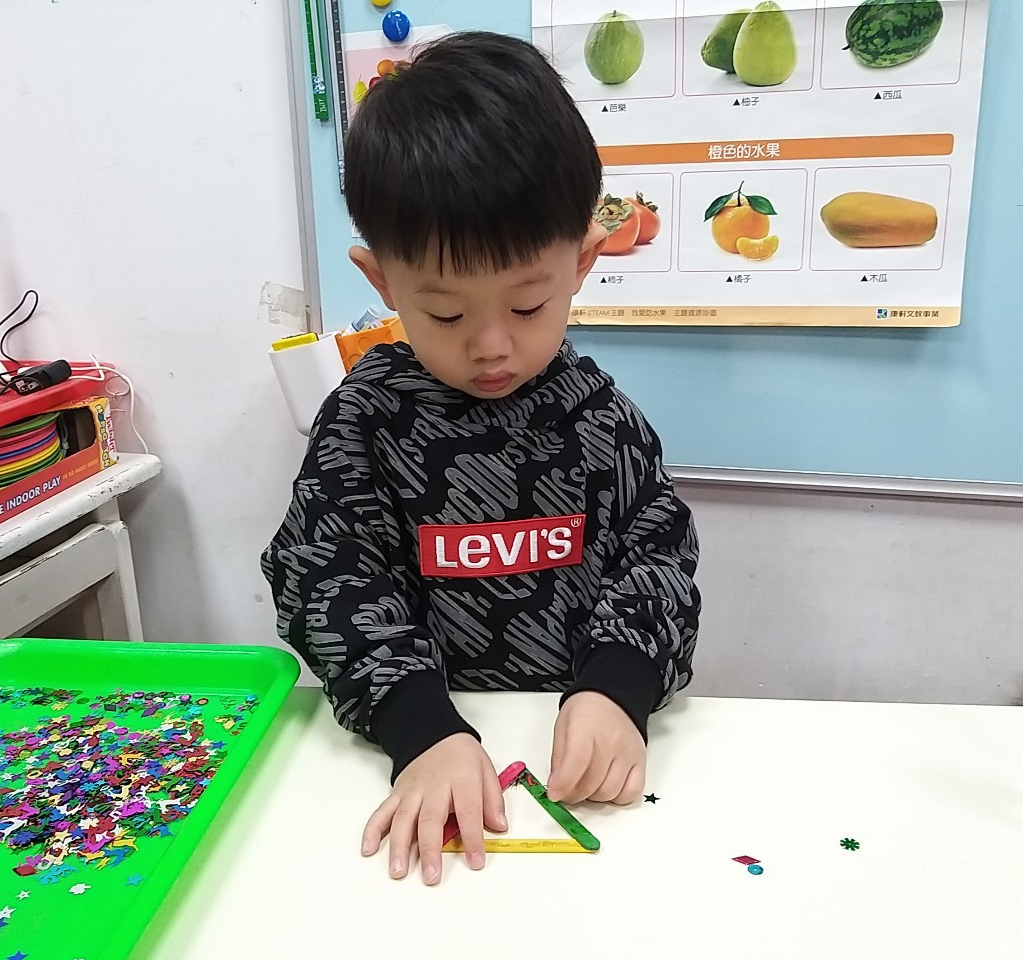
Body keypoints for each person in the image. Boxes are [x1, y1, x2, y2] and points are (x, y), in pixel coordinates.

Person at [261, 31, 700, 886]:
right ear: (383, 284)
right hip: (426, 758)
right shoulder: (366, 422)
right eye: (446, 314)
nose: (492, 345)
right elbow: (327, 582)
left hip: (572, 766)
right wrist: (420, 728)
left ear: (582, 263)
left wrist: (618, 686)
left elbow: (658, 559)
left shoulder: (597, 417)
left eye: (528, 305)